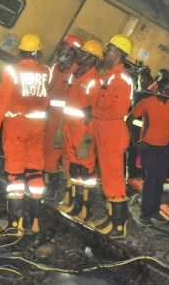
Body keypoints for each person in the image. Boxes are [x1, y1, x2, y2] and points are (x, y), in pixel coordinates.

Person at [0, 33, 51, 236]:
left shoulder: (13, 71)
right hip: (37, 127)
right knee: (34, 172)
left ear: (21, 50)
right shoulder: (45, 72)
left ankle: (16, 225)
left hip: (16, 126)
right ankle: (35, 222)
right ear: (38, 52)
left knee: (15, 175)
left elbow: (2, 103)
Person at [88, 34, 134, 238]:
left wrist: (94, 113)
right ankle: (111, 220)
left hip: (113, 132)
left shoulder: (121, 78)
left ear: (117, 52)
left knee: (114, 179)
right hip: (105, 131)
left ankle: (118, 226)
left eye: (109, 50)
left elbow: (119, 110)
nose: (105, 53)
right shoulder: (110, 75)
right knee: (107, 178)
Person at [57, 39, 103, 221]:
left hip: (82, 132)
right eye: (81, 52)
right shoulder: (75, 75)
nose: (80, 56)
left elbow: (94, 114)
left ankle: (86, 210)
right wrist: (60, 127)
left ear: (93, 59)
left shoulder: (94, 82)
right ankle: (75, 206)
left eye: (85, 54)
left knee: (86, 173)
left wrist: (88, 140)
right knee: (75, 171)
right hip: (69, 128)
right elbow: (67, 104)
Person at [128, 78, 169, 226]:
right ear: (158, 90)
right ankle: (145, 213)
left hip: (165, 147)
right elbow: (130, 119)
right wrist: (135, 141)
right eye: (165, 89)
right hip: (149, 146)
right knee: (150, 180)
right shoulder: (147, 102)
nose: (168, 92)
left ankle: (155, 211)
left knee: (160, 180)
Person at [43, 34, 83, 201]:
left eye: (64, 46)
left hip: (63, 120)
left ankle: (54, 191)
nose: (60, 47)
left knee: (56, 156)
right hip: (51, 116)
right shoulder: (56, 66)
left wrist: (60, 127)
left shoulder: (76, 72)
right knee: (46, 152)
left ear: (72, 52)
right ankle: (46, 187)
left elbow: (70, 102)